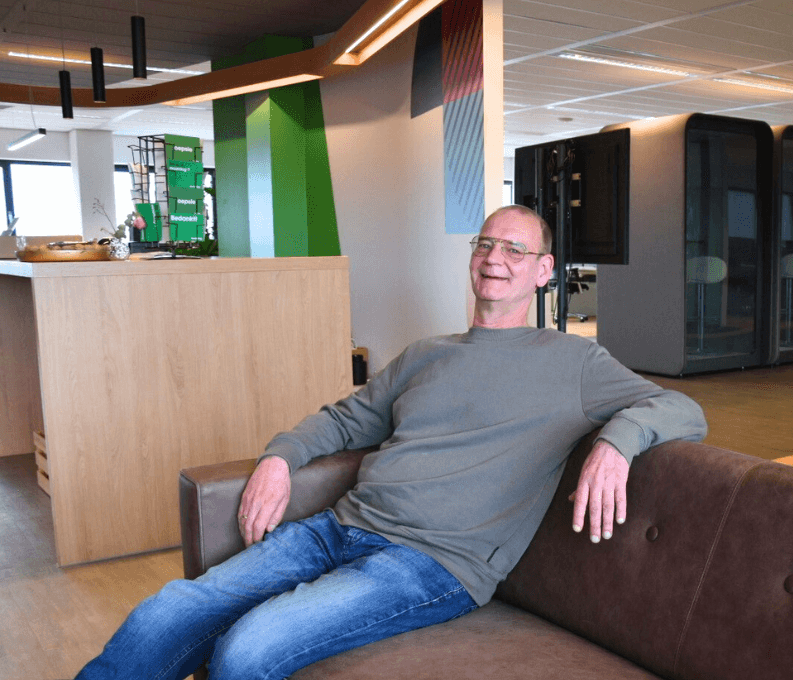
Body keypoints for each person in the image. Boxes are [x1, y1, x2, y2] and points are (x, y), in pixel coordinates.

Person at [76, 205, 707, 680]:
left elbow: (681, 407)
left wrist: (617, 441)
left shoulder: (575, 362)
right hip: (336, 528)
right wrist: (278, 457)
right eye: (486, 243)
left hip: (429, 564)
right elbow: (344, 420)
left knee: (248, 648)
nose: (495, 257)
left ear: (544, 272)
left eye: (515, 249)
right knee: (168, 611)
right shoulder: (426, 354)